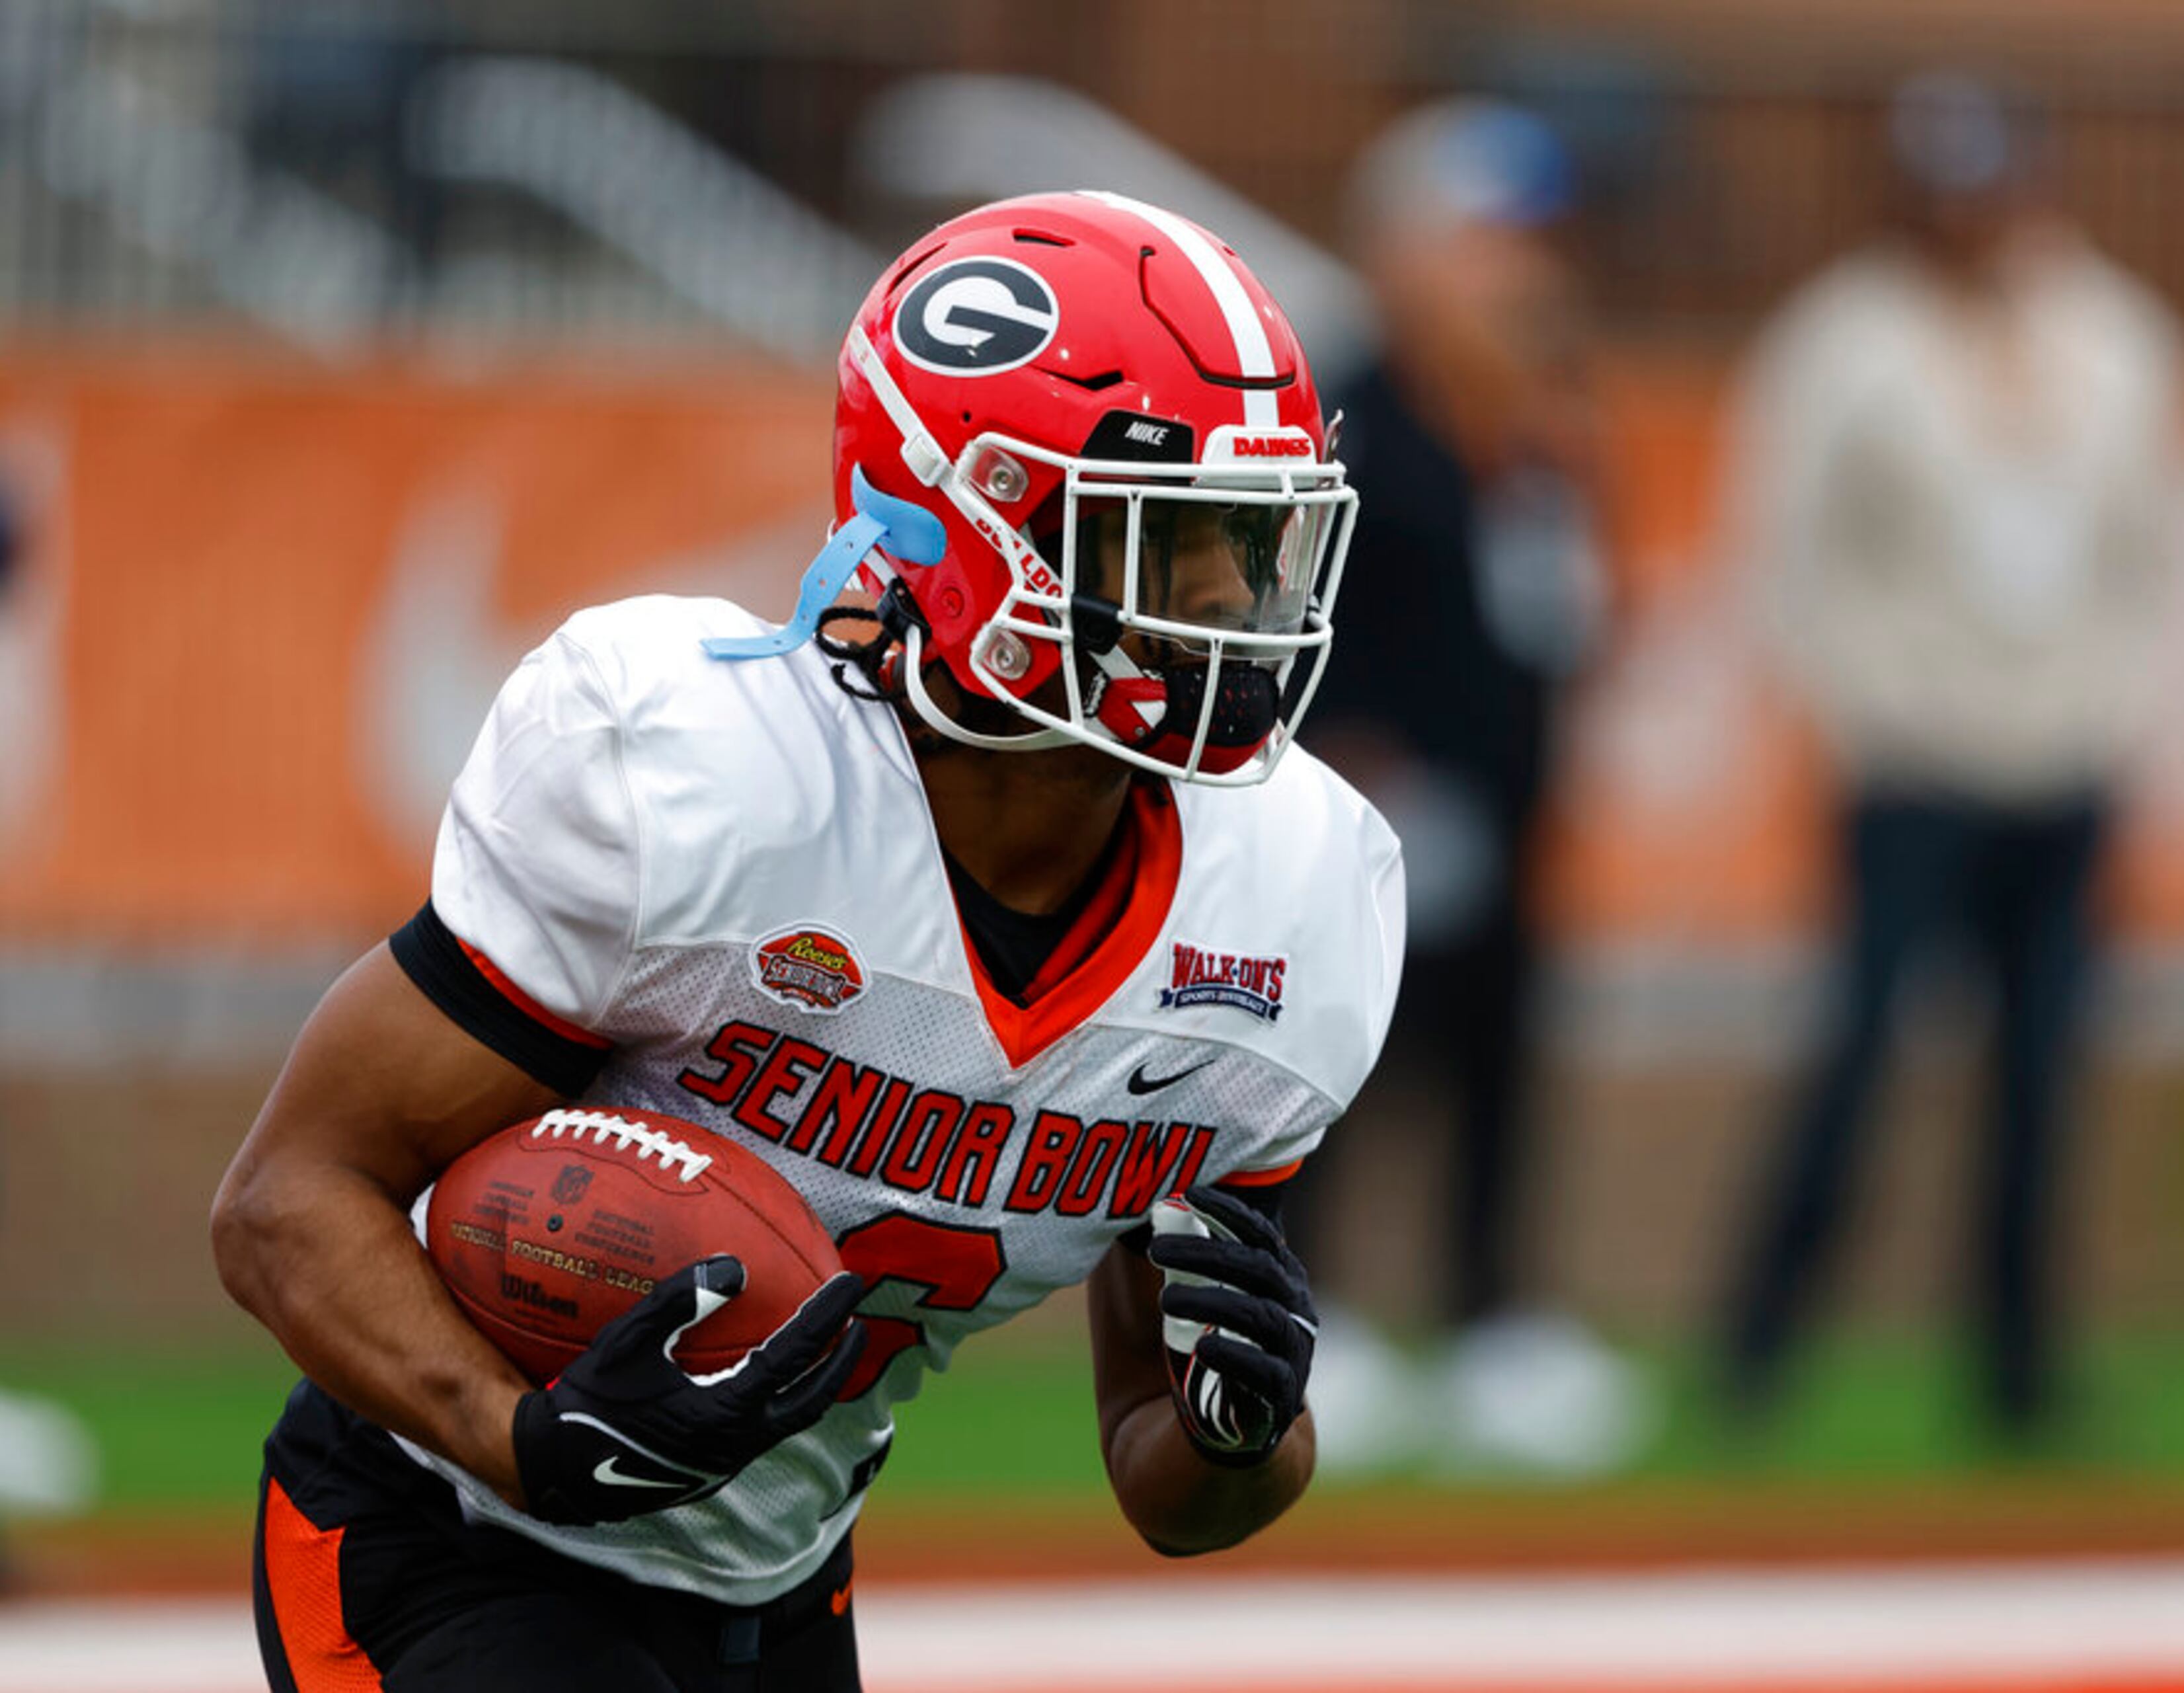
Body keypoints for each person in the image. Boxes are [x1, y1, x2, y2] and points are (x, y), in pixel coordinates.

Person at [212, 191, 1403, 1692]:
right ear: (977, 532)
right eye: (1171, 546)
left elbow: (1164, 1482)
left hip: (777, 1592)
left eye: (1256, 539)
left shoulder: (1291, 899)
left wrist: (1245, 1437)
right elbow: (284, 1199)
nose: (1237, 605)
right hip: (443, 1532)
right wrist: (517, 1436)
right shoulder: (706, 784)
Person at [1715, 74, 2184, 1446]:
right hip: (1914, 767)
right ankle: (1762, 1348)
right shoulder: (1846, 344)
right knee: (1857, 1060)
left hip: (2064, 768)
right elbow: (1788, 554)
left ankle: (2021, 1377)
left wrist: (2107, 713)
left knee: (2041, 1082)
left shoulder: (2119, 339)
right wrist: (1869, 713)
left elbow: (2151, 550)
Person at [1293, 100, 1643, 1476]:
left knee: (1504, 1063)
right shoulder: (1347, 415)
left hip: (1510, 807)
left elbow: (1562, 604)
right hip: (1374, 812)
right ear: (1404, 252)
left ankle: (1495, 1318)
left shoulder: (1548, 420)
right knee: (1342, 1071)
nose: (1524, 274)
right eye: (1490, 243)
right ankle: (1312, 1316)